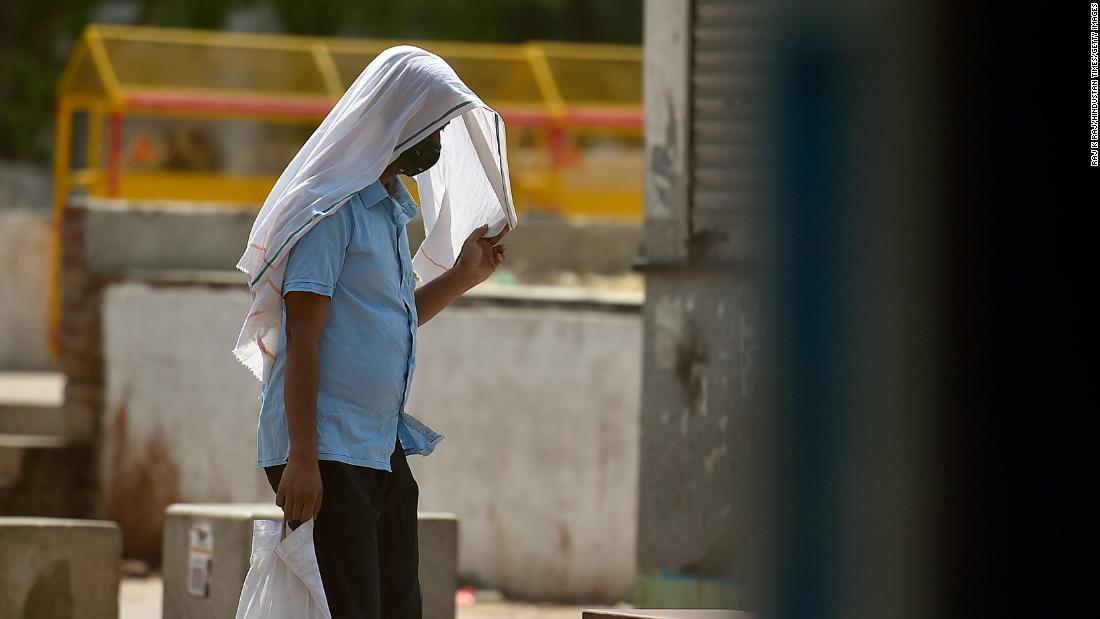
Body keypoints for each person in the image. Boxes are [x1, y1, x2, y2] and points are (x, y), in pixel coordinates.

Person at [234, 46, 515, 619]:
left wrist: (464, 275)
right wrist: (304, 460)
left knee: (396, 606)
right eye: (430, 122)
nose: (437, 139)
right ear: (398, 120)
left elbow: (391, 317)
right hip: (328, 450)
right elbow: (304, 337)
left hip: (376, 446)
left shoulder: (387, 208)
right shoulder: (330, 213)